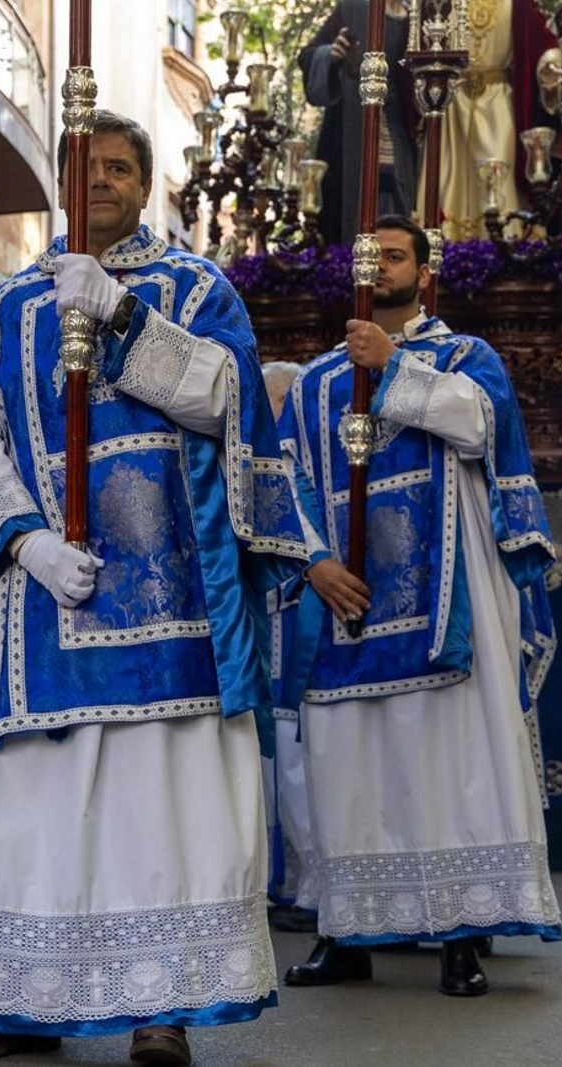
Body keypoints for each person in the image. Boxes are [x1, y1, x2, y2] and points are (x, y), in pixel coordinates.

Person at [0, 110, 307, 1066]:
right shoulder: (9, 308)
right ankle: (8, 1000)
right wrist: (26, 541)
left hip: (173, 597)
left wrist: (124, 321)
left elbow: (229, 403)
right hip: (42, 603)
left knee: (159, 807)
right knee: (27, 806)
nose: (105, 182)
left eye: (122, 168)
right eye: (89, 167)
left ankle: (161, 1000)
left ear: (146, 182)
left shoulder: (198, 288)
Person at [280, 216, 560, 997]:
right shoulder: (313, 384)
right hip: (348, 605)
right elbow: (285, 480)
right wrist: (317, 561)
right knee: (348, 769)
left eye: (395, 255)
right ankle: (345, 931)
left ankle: (459, 934)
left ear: (423, 274)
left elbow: (482, 426)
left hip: (448, 598)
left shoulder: (466, 357)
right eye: (369, 257)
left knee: (450, 762)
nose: (381, 267)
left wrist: (394, 366)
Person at [259, 360, 320, 933]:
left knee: (301, 762)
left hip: (303, 630)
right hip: (270, 634)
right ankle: (288, 880)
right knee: (278, 761)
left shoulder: (300, 461)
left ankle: (313, 884)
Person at [298, 0, 422, 246]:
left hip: (400, 134)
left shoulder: (416, 20)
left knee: (401, 204)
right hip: (350, 133)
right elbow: (309, 55)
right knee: (351, 209)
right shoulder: (353, 9)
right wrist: (330, 55)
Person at [428, 0, 557, 238]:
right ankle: (447, 243)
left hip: (497, 103)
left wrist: (549, 63)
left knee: (497, 169)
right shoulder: (445, 3)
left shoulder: (517, 4)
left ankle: (501, 243)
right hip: (453, 103)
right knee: (449, 177)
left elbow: (543, 41)